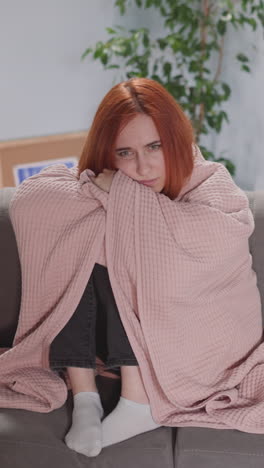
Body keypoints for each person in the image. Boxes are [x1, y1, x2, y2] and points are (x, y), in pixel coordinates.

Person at [49, 77, 195, 457]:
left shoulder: (206, 186)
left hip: (173, 329)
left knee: (128, 243)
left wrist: (129, 202)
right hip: (99, 339)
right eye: (125, 153)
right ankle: (85, 398)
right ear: (108, 156)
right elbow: (41, 200)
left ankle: (137, 399)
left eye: (154, 146)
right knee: (82, 236)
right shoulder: (96, 186)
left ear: (174, 142)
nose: (143, 166)